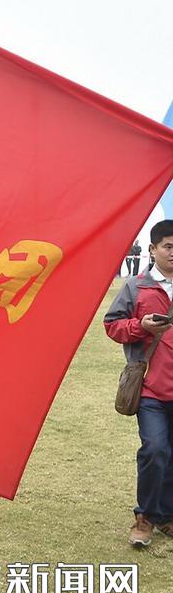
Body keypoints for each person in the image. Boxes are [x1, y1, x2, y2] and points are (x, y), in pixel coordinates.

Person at [105, 220, 173, 546]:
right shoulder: (136, 286)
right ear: (152, 249)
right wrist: (141, 326)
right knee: (155, 450)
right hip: (150, 388)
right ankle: (145, 518)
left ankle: (166, 515)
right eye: (168, 247)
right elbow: (112, 325)